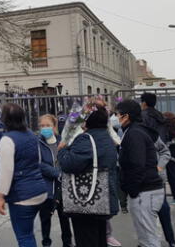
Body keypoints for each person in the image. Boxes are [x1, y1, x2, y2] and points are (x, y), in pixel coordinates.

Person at [58, 105, 119, 247]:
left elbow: (69, 164)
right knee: (99, 239)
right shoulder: (106, 137)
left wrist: (62, 149)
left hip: (86, 203)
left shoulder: (86, 139)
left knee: (86, 239)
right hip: (103, 198)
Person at [0, 104, 47, 247]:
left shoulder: (7, 139)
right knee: (29, 234)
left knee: (24, 237)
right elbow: (38, 160)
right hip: (39, 189)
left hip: (22, 195)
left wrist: (0, 196)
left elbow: (6, 171)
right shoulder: (31, 134)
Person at [116, 99, 164, 247]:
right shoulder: (134, 131)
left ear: (126, 116)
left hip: (145, 191)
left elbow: (137, 164)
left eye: (118, 114)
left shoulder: (135, 133)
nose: (116, 117)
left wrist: (133, 189)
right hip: (144, 190)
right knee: (145, 238)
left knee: (149, 239)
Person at [36, 114, 73, 247]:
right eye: (42, 126)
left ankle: (67, 242)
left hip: (62, 187)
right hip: (45, 188)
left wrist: (62, 173)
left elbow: (67, 159)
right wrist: (57, 173)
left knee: (65, 218)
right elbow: (39, 164)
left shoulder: (61, 141)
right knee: (45, 219)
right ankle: (46, 243)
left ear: (54, 126)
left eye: (48, 125)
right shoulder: (38, 142)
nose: (45, 128)